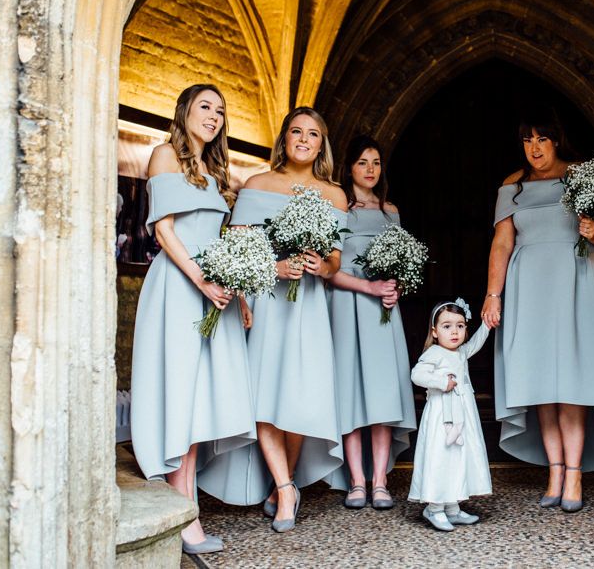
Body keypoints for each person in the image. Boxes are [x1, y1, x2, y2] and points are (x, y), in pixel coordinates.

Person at [481, 109, 594, 513]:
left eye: (542, 139)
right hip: (528, 288)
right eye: (527, 140)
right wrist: (493, 295)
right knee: (541, 386)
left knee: (571, 382)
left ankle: (574, 474)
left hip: (577, 283)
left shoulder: (583, 174)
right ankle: (554, 470)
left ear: (556, 141)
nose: (534, 148)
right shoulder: (512, 185)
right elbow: (502, 243)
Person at [130, 85, 256, 555]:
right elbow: (164, 232)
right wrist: (203, 281)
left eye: (221, 110)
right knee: (182, 391)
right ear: (184, 111)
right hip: (180, 288)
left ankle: (186, 505)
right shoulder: (165, 154)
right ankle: (187, 516)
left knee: (203, 396)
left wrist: (239, 292)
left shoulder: (216, 171)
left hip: (217, 292)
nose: (214, 116)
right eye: (205, 107)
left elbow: (221, 239)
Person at [220, 106, 348, 533]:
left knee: (300, 395)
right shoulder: (258, 185)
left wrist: (320, 266)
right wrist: (274, 269)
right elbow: (237, 250)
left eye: (313, 134)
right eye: (297, 132)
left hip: (309, 307)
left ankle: (284, 482)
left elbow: (335, 262)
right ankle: (286, 487)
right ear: (285, 138)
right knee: (265, 392)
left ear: (321, 144)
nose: (304, 140)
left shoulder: (334, 195)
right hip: (268, 302)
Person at [325, 135, 416, 509]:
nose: (370, 170)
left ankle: (380, 480)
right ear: (349, 168)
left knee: (381, 394)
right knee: (350, 393)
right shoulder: (337, 207)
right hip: (347, 305)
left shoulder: (391, 211)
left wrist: (395, 289)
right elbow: (328, 271)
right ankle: (356, 481)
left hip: (382, 315)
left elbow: (400, 265)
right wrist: (370, 286)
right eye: (363, 162)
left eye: (376, 163)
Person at [409, 299, 491, 531]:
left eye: (460, 325)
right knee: (441, 457)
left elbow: (477, 342)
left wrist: (487, 323)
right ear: (434, 332)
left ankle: (453, 507)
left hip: (463, 415)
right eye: (446, 326)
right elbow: (417, 375)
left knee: (458, 458)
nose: (454, 331)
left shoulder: (462, 353)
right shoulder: (434, 353)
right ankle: (434, 508)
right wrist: (442, 381)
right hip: (441, 415)